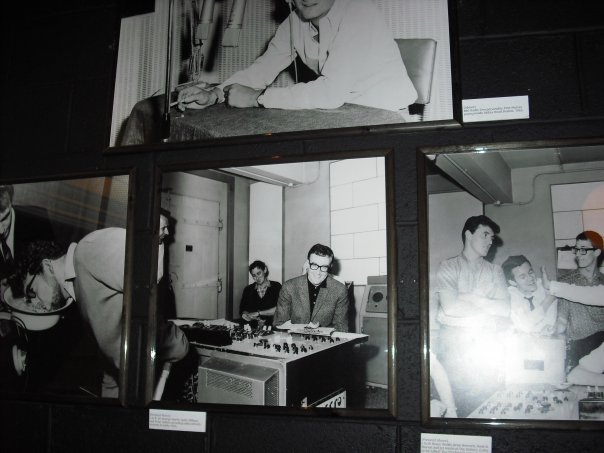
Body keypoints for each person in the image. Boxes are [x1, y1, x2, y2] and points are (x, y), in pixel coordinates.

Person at [17, 228, 189, 397]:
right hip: (143, 373)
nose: (35, 304)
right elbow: (110, 364)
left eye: (31, 292)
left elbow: (148, 274)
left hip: (169, 358)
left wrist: (170, 340)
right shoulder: (78, 293)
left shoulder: (89, 250)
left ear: (47, 266)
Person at [177, 0, 417, 113]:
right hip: (341, 114)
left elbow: (329, 93)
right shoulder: (294, 22)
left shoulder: (359, 11)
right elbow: (261, 71)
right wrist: (215, 94)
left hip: (386, 116)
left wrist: (256, 98)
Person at [433, 215, 510, 417]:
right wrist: (488, 304)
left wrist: (470, 297)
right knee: (455, 404)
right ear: (468, 234)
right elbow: (451, 308)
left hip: (486, 340)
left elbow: (505, 310)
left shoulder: (495, 271)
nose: (490, 241)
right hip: (453, 343)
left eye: (491, 237)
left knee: (488, 402)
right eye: (485, 235)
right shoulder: (448, 266)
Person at [555, 231, 604, 370]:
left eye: (583, 250)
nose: (577, 254)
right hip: (579, 348)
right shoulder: (565, 282)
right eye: (576, 249)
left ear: (597, 252)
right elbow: (561, 321)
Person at [273, 243, 348, 332]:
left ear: (330, 267)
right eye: (314, 265)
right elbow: (279, 324)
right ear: (307, 264)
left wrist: (319, 331)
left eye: (324, 267)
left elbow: (341, 329)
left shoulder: (340, 290)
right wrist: (302, 329)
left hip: (326, 340)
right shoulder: (289, 287)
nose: (318, 272)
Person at [0, 185, 54, 284]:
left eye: (4, 219)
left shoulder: (38, 221)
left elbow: (53, 268)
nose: (0, 231)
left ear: (11, 202)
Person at [501, 255, 557, 335]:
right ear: (512, 282)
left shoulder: (545, 287)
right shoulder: (510, 295)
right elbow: (524, 325)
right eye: (523, 277)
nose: (530, 278)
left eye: (530, 272)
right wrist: (547, 301)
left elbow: (551, 322)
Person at [240, 260, 282, 327]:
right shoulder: (248, 289)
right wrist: (246, 315)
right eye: (254, 275)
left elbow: (280, 308)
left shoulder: (276, 286)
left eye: (259, 273)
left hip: (273, 326)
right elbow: (243, 309)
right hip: (253, 327)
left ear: (265, 270)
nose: (257, 278)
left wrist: (258, 313)